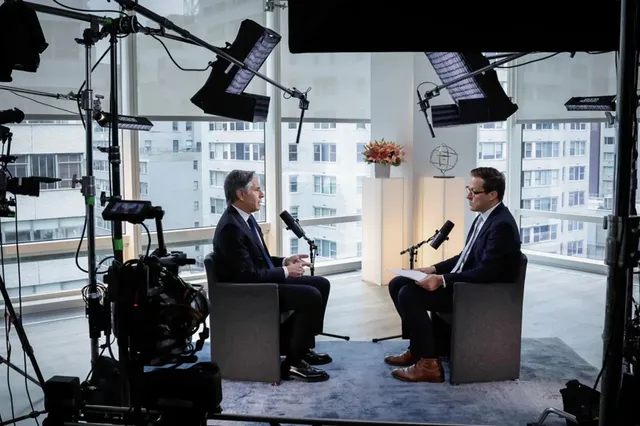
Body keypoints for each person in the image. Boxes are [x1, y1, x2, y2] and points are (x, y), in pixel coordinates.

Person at [384, 167, 521, 383]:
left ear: (493, 194)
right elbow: (464, 257)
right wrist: (433, 269)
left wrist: (442, 280)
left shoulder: (501, 225)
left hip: (479, 293)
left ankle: (429, 365)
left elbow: (488, 272)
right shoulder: (484, 217)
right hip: (466, 283)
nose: (468, 196)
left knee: (409, 295)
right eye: (468, 189)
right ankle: (418, 349)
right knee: (397, 283)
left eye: (474, 192)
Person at [212, 169, 332, 383]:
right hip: (250, 293)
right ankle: (293, 363)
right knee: (311, 295)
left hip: (259, 284)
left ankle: (302, 347)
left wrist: (285, 261)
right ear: (241, 194)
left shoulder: (245, 219)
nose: (262, 195)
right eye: (257, 190)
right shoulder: (231, 227)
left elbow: (259, 259)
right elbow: (247, 276)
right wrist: (286, 272)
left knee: (322, 284)